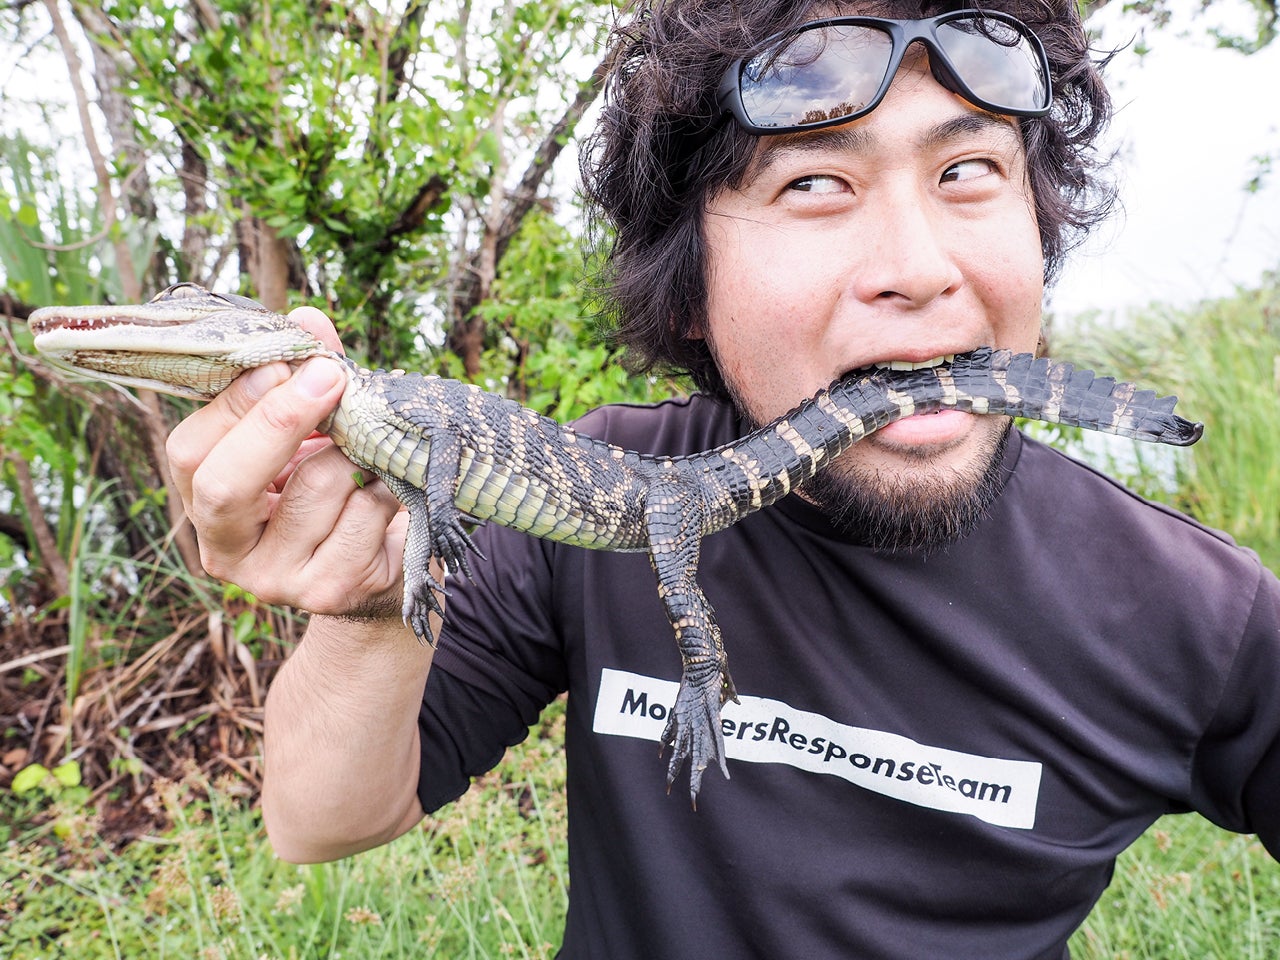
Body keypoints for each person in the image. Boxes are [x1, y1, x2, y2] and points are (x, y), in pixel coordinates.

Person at [164, 1, 1280, 957]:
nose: (915, 269)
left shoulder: (1204, 619)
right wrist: (367, 607)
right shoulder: (598, 480)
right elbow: (318, 822)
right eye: (811, 185)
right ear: (688, 292)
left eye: (966, 169)